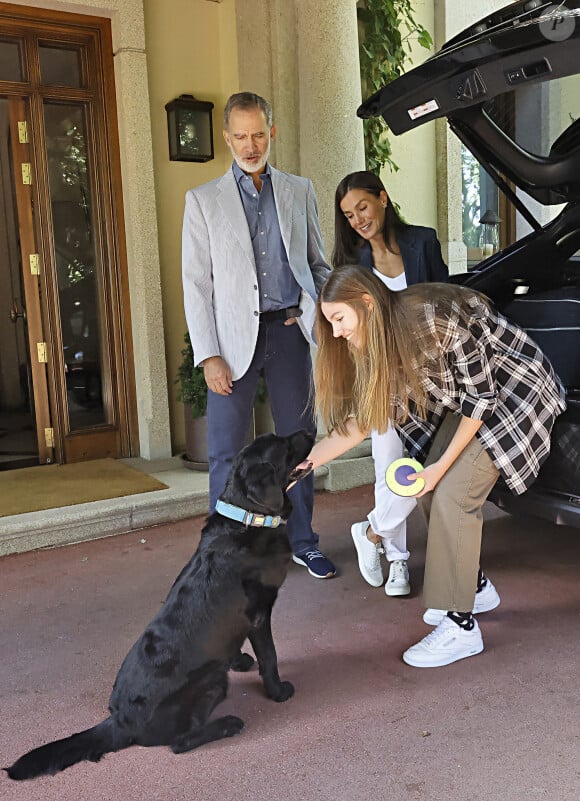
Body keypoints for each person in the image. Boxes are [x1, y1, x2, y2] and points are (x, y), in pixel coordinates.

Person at [303, 264, 566, 666]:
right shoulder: (378, 342)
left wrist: (441, 469)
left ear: (367, 304)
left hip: (516, 391)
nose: (336, 332)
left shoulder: (434, 320)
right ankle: (474, 588)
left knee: (454, 495)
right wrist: (305, 463)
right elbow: (363, 421)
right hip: (472, 405)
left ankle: (461, 628)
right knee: (423, 485)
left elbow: (481, 400)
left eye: (339, 319)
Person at [181, 91, 335, 579]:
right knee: (226, 449)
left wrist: (322, 318)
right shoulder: (203, 201)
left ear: (273, 133)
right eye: (241, 136)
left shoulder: (298, 190)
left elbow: (318, 264)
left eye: (258, 134)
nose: (250, 145)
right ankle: (225, 552)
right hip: (230, 343)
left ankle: (302, 540)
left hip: (290, 334)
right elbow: (197, 284)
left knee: (299, 447)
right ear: (227, 137)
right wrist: (208, 356)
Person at [332, 171, 449, 598]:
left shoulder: (423, 241)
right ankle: (398, 562)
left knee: (422, 468)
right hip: (380, 377)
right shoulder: (353, 266)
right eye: (349, 215)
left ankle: (371, 532)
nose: (358, 219)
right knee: (389, 470)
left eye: (363, 207)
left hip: (431, 378)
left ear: (382, 198)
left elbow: (445, 298)